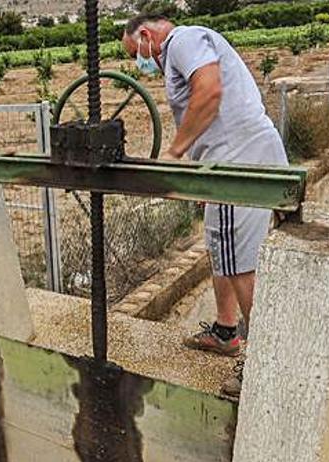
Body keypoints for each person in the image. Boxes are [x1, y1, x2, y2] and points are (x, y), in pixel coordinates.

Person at [122, 14, 288, 396]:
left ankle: (267, 364)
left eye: (136, 53)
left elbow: (210, 91)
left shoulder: (182, 41)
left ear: (146, 35)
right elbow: (212, 110)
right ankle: (226, 331)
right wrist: (199, 171)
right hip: (232, 159)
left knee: (241, 262)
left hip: (236, 162)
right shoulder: (185, 47)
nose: (140, 64)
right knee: (222, 250)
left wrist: (177, 152)